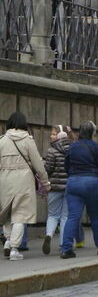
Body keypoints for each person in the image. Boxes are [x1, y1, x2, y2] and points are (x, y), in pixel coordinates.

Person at [61, 121, 98, 258]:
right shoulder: (96, 147)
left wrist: (73, 176)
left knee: (73, 216)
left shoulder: (72, 147)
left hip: (73, 182)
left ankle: (66, 248)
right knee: (96, 216)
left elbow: (66, 166)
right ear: (93, 133)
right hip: (92, 182)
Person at [0, 112, 50, 261]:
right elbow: (38, 165)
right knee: (20, 214)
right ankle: (15, 248)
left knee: (7, 212)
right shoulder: (28, 140)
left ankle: (8, 242)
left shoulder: (1, 141)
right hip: (23, 181)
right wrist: (45, 183)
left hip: (4, 180)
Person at [43, 125, 84, 255]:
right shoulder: (74, 149)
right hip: (69, 187)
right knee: (65, 217)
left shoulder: (51, 150)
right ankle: (63, 244)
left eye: (53, 133)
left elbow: (47, 169)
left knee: (52, 215)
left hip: (54, 187)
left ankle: (49, 234)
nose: (51, 136)